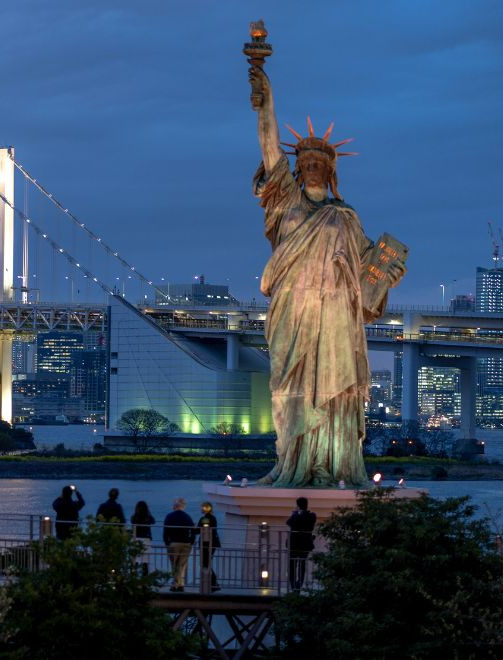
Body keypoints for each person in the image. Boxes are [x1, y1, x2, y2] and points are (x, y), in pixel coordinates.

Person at [248, 57, 405, 488]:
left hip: (336, 315)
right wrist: (266, 97)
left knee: (335, 386)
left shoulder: (346, 217)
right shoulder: (285, 203)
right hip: (294, 310)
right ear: (296, 167)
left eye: (321, 160)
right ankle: (293, 461)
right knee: (289, 385)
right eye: (306, 159)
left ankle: (335, 464)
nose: (313, 163)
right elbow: (268, 144)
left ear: (331, 170)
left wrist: (390, 268)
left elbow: (373, 266)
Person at [162, 498, 194, 592]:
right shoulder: (187, 516)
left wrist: (167, 543)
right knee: (182, 564)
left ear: (175, 506)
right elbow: (192, 530)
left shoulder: (169, 516)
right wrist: (191, 541)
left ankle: (175, 584)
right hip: (185, 543)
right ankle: (180, 584)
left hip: (173, 543)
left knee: (174, 564)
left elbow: (165, 531)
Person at [287, 496, 317, 591]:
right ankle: (299, 583)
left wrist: (295, 513)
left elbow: (289, 522)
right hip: (305, 543)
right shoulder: (311, 515)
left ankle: (293, 585)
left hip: (294, 543)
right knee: (302, 564)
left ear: (298, 505)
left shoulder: (296, 516)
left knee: (292, 564)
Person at [194, 501, 221, 591]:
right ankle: (212, 583)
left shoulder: (205, 518)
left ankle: (213, 583)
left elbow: (198, 530)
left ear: (206, 508)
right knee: (206, 563)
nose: (201, 509)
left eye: (202, 507)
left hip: (206, 544)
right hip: (213, 543)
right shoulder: (213, 518)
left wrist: (193, 528)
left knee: (205, 564)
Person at [131, 500, 155, 576]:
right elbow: (153, 521)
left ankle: (133, 578)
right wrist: (149, 512)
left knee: (135, 561)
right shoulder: (148, 517)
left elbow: (132, 521)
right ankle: (144, 581)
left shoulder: (134, 517)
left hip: (136, 538)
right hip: (146, 539)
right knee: (145, 562)